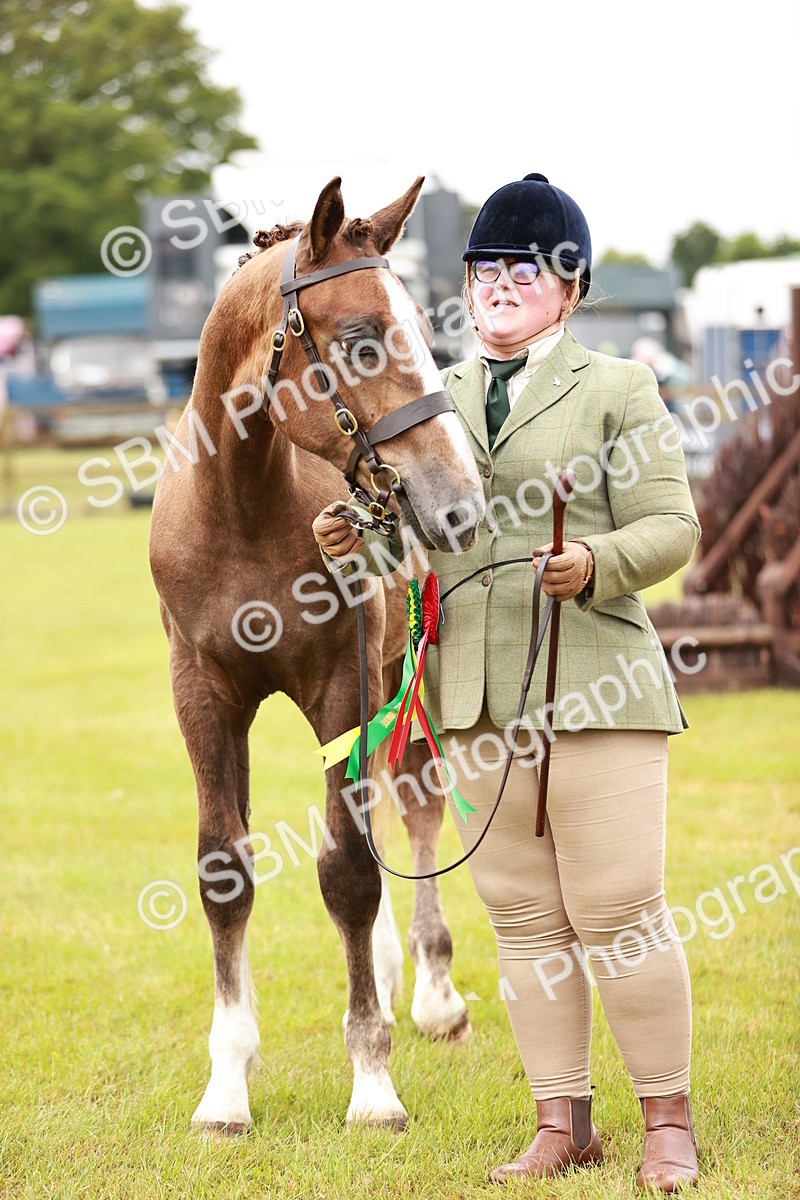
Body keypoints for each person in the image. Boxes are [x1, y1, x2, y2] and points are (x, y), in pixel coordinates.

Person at [312, 172, 701, 1192]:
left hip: (595, 685)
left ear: (566, 290)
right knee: (524, 920)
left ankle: (665, 1118)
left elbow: (672, 526)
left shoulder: (619, 387)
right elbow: (402, 555)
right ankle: (559, 1120)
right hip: (474, 697)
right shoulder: (425, 395)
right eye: (484, 268)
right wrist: (350, 541)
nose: (497, 285)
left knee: (618, 907)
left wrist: (596, 565)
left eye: (522, 270)